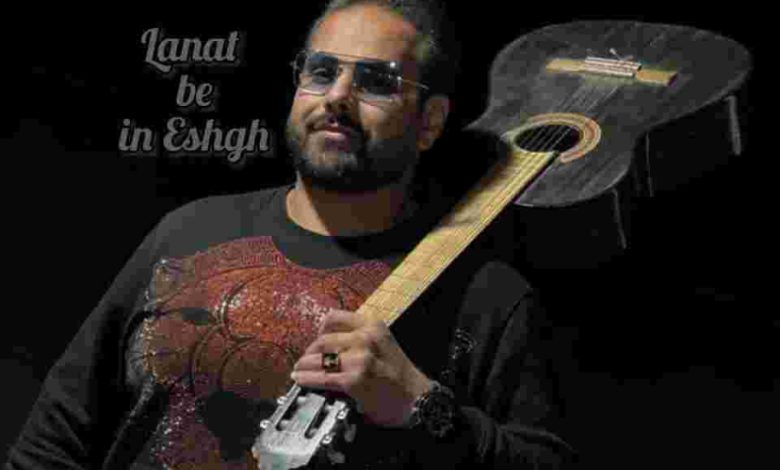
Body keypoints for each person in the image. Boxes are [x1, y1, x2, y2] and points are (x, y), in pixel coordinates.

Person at [6, 1, 576, 468]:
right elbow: (55, 440)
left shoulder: (485, 293)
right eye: (322, 72)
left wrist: (421, 405)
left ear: (429, 122)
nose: (337, 97)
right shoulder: (188, 233)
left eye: (376, 81)